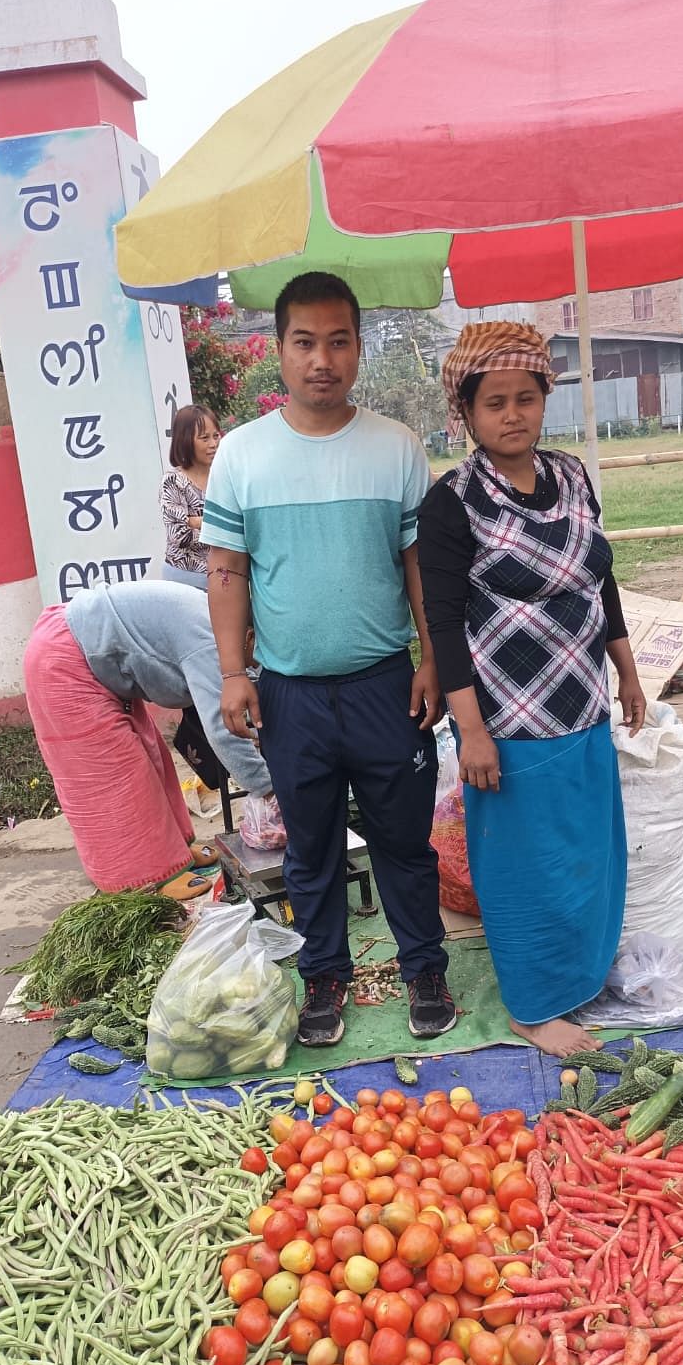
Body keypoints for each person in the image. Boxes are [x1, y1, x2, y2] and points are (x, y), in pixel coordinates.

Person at [202, 271, 455, 1048]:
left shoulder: (396, 448)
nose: (323, 359)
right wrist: (235, 673)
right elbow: (227, 571)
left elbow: (419, 566)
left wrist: (433, 658)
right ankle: (324, 980)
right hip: (290, 697)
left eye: (338, 341)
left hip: (387, 686)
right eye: (305, 342)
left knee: (404, 844)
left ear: (357, 348)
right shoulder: (243, 455)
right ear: (277, 350)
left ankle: (423, 968)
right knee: (310, 849)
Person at [417, 321, 647, 1058]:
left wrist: (628, 669)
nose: (512, 415)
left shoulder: (573, 476)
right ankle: (533, 1005)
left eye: (526, 398)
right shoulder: (452, 501)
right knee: (526, 867)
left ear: (546, 398)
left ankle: (579, 980)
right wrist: (471, 732)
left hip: (581, 700)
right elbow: (444, 626)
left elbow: (598, 578)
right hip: (509, 719)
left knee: (586, 852)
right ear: (468, 414)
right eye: (494, 404)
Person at [23, 580, 274, 900]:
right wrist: (268, 788)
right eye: (259, 655)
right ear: (249, 636)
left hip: (90, 655)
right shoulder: (212, 644)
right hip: (63, 662)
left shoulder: (226, 626)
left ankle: (176, 851)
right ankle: (149, 876)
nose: (257, 665)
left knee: (154, 758)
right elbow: (223, 727)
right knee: (119, 777)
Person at [161, 403, 221, 587]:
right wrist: (216, 523)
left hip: (224, 576)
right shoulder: (173, 481)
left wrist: (195, 521)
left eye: (216, 436)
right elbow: (179, 536)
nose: (213, 444)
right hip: (183, 577)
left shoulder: (226, 477)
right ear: (185, 440)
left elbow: (242, 525)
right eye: (204, 438)